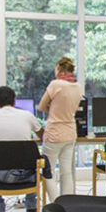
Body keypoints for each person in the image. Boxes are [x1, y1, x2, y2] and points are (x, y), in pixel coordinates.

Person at [0, 86, 45, 212]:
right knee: (33, 167)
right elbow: (42, 135)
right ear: (14, 101)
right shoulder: (27, 115)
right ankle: (31, 207)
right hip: (25, 175)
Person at [39, 57, 82, 199]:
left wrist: (52, 108)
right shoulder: (78, 87)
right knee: (66, 172)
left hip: (54, 133)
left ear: (58, 68)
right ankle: (66, 205)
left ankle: (54, 204)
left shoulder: (55, 84)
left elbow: (41, 106)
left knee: (47, 171)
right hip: (70, 133)